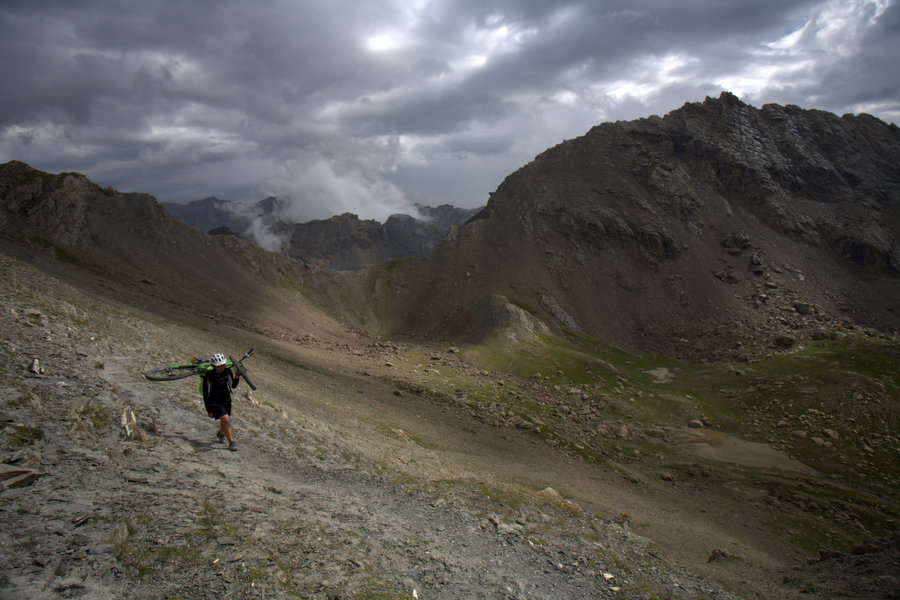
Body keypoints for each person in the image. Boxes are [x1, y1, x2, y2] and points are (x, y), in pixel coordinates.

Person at [202, 353, 240, 451]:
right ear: (214, 366)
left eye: (223, 365)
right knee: (226, 420)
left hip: (226, 399)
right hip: (215, 401)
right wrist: (208, 410)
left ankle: (221, 433)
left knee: (224, 420)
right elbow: (205, 394)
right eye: (219, 366)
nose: (221, 368)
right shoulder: (209, 375)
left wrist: (237, 377)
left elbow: (233, 386)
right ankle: (231, 442)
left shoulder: (227, 372)